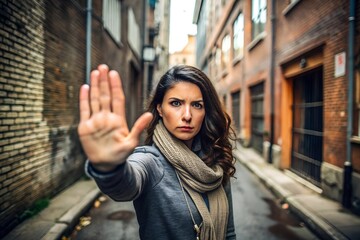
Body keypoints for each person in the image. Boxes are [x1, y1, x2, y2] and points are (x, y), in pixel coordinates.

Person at [78, 64, 237, 240]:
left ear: (206, 111)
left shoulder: (216, 161)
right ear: (160, 109)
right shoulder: (150, 161)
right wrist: (109, 167)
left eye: (197, 105)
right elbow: (125, 186)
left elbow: (228, 232)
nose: (187, 115)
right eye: (176, 103)